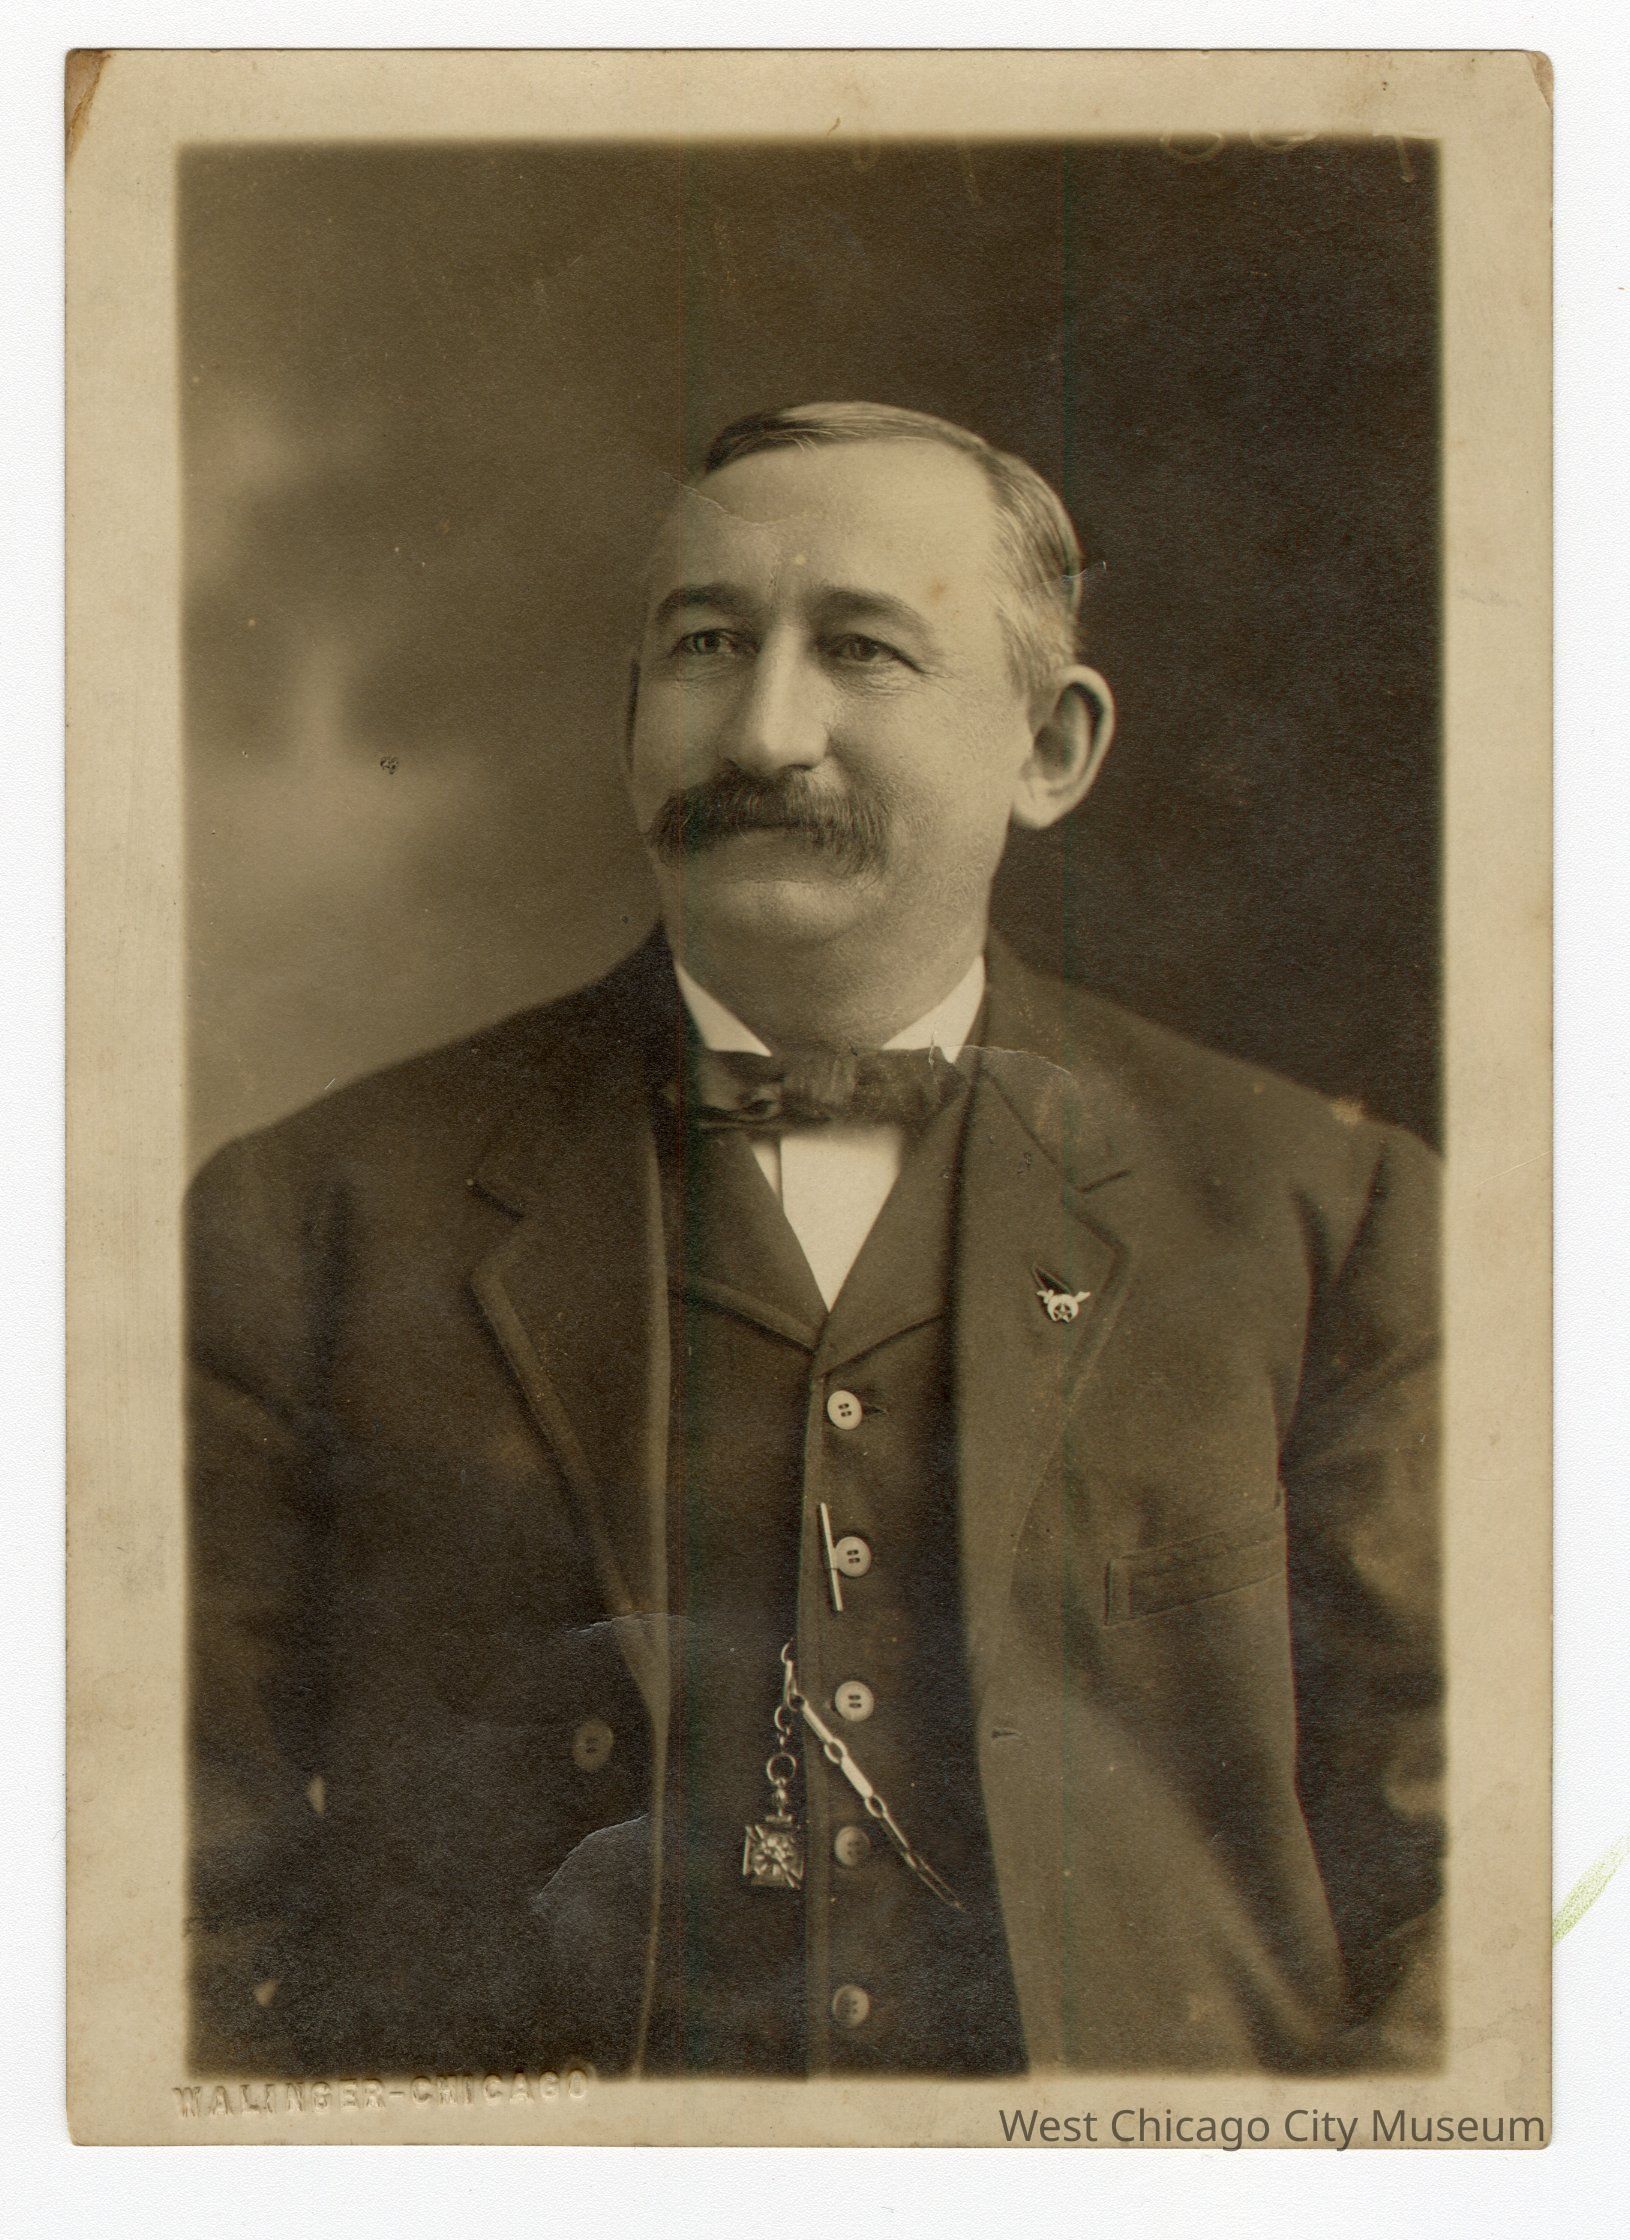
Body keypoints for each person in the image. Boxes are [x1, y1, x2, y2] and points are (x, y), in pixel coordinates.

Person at [187, 402, 1441, 2082]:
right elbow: (159, 1892)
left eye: (861, 649)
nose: (764, 731)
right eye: (707, 646)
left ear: (1050, 747)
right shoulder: (306, 1221)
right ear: (632, 718)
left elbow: (1471, 1884)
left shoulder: (1318, 1216)